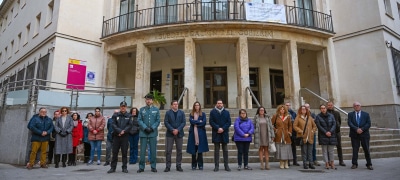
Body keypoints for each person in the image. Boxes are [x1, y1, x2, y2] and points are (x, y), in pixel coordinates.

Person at [137, 94, 160, 173]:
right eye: (147, 99)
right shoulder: (141, 110)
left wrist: (152, 128)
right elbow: (139, 120)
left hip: (153, 133)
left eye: (150, 99)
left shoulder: (156, 110)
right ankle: (141, 167)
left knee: (153, 151)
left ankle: (153, 166)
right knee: (142, 151)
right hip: (143, 133)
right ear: (145, 100)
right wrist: (145, 127)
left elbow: (158, 120)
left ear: (152, 101)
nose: (148, 101)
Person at [108, 102, 133, 173]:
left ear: (126, 107)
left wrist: (123, 131)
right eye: (122, 106)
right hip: (116, 136)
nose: (123, 107)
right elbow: (113, 124)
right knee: (115, 152)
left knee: (124, 153)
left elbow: (130, 125)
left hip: (125, 137)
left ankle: (124, 167)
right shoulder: (115, 115)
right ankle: (113, 168)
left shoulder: (129, 115)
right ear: (120, 107)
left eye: (124, 106)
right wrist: (119, 131)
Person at [348, 102, 373, 170]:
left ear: (360, 106)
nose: (356, 106)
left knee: (366, 149)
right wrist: (356, 129)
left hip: (364, 134)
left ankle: (369, 164)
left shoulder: (366, 114)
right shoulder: (350, 114)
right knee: (355, 150)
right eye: (355, 106)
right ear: (353, 107)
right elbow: (349, 123)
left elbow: (368, 123)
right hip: (354, 134)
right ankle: (354, 164)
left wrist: (362, 129)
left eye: (358, 105)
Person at [163, 100, 186, 172]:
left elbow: (183, 122)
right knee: (168, 151)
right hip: (170, 134)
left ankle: (178, 165)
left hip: (179, 134)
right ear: (171, 105)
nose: (176, 105)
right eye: (174, 104)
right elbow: (166, 122)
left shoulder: (181, 113)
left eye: (177, 104)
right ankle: (168, 166)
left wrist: (178, 130)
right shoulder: (168, 113)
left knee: (179, 150)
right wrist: (172, 130)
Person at [209, 99, 231, 172]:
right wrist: (218, 128)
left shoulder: (227, 112)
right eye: (218, 103)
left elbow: (229, 122)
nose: (219, 104)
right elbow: (211, 121)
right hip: (216, 133)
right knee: (216, 151)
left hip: (224, 133)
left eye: (221, 103)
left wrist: (223, 128)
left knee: (225, 150)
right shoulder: (212, 112)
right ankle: (216, 166)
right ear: (216, 104)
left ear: (223, 104)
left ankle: (226, 166)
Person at [186, 101, 209, 170]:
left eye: (198, 105)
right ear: (194, 106)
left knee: (200, 150)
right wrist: (199, 121)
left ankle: (200, 165)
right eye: (195, 105)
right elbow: (191, 121)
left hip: (200, 134)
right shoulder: (191, 114)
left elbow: (204, 122)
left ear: (200, 106)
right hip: (193, 133)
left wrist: (196, 122)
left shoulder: (203, 114)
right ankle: (193, 165)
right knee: (193, 150)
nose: (197, 106)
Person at [315, 104, 337, 170]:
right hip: (323, 135)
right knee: (324, 150)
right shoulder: (318, 116)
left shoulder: (331, 115)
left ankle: (332, 163)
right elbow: (319, 126)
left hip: (331, 135)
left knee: (331, 151)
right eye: (321, 108)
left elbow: (334, 124)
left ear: (326, 109)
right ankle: (326, 163)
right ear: (320, 109)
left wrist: (330, 131)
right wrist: (326, 132)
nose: (323, 109)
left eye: (324, 108)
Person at [271, 104, 293, 169]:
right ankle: (281, 162)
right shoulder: (275, 116)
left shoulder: (288, 116)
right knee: (280, 149)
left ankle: (286, 162)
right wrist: (276, 130)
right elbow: (271, 124)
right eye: (281, 109)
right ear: (279, 110)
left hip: (286, 135)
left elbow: (290, 125)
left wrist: (289, 132)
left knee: (286, 149)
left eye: (283, 109)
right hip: (279, 135)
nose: (282, 110)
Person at [327, 101, 346, 166]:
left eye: (331, 105)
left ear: (333, 105)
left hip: (337, 132)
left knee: (339, 147)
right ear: (327, 106)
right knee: (328, 148)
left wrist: (337, 127)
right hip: (329, 132)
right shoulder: (325, 113)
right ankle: (329, 161)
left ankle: (341, 160)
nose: (330, 106)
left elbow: (339, 122)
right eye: (329, 105)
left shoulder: (337, 113)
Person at [285, 102, 299, 166]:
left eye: (289, 105)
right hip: (285, 132)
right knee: (287, 147)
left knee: (293, 147)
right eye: (286, 105)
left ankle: (295, 160)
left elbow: (296, 122)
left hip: (293, 132)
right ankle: (288, 161)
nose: (288, 106)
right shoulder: (283, 113)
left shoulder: (293, 113)